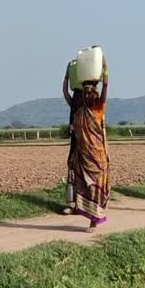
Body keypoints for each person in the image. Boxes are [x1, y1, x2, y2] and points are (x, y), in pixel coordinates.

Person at [70, 58, 110, 232]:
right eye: (85, 93)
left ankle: (95, 221)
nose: (88, 95)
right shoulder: (80, 111)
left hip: (98, 157)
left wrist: (104, 66)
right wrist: (66, 78)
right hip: (84, 156)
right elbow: (66, 95)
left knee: (96, 189)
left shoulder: (99, 107)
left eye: (91, 92)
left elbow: (106, 86)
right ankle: (91, 218)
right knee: (85, 187)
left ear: (95, 92)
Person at [62, 69, 84, 215]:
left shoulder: (91, 105)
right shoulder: (74, 102)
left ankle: (83, 205)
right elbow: (65, 92)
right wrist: (67, 76)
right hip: (76, 143)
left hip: (87, 145)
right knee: (72, 170)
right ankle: (71, 204)